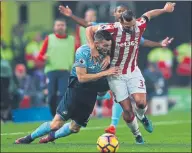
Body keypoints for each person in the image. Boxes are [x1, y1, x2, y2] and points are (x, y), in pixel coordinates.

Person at [59, 4, 175, 136]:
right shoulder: (110, 27)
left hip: (132, 70)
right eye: (127, 27)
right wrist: (93, 47)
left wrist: (164, 10)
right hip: (115, 72)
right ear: (119, 20)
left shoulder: (138, 25)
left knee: (141, 103)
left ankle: (142, 117)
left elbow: (149, 14)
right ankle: (134, 133)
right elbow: (88, 27)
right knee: (126, 108)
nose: (130, 29)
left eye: (132, 26)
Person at [14, 30, 119, 144]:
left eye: (109, 46)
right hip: (77, 88)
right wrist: (105, 72)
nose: (108, 48)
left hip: (91, 91)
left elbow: (111, 51)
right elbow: (82, 78)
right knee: (56, 124)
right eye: (105, 46)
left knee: (75, 128)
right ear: (96, 44)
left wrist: (108, 56)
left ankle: (52, 137)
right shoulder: (83, 51)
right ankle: (28, 138)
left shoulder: (108, 52)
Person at [37, 19, 75, 116]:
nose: (60, 27)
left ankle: (61, 115)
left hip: (65, 71)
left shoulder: (72, 40)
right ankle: (54, 115)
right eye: (58, 25)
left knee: (63, 95)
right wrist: (43, 57)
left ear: (65, 27)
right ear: (54, 27)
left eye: (62, 25)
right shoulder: (49, 39)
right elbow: (40, 55)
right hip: (51, 71)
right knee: (51, 96)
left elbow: (78, 53)